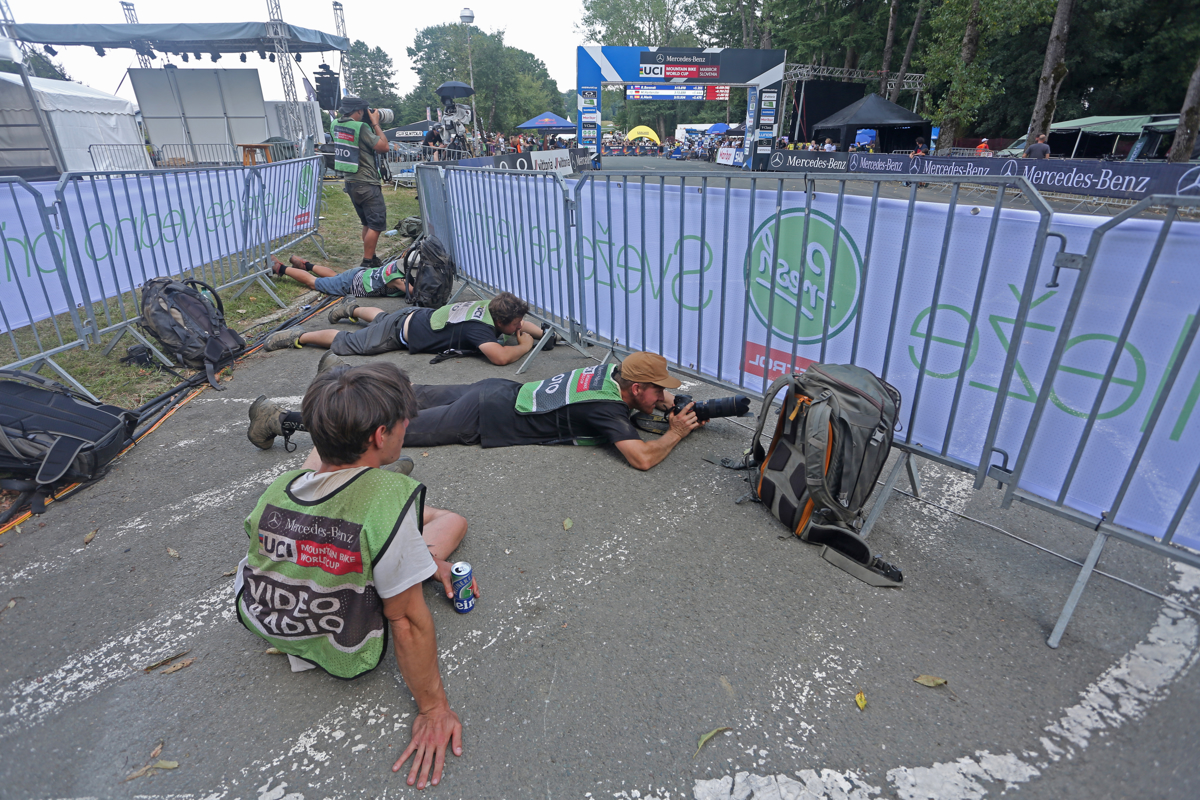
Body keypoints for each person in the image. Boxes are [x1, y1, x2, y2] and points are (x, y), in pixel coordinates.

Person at [236, 361, 476, 790]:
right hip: (336, 633)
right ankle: (380, 499)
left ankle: (358, 482)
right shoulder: (389, 499)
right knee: (448, 521)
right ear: (382, 436)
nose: (408, 427)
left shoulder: (279, 486)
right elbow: (405, 621)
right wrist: (433, 709)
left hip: (270, 617)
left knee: (401, 519)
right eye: (403, 422)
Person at [248, 352, 704, 471]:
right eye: (658, 390)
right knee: (377, 429)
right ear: (637, 388)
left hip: (492, 390)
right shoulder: (608, 410)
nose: (664, 396)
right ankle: (284, 420)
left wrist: (660, 407)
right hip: (484, 417)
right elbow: (642, 458)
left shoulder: (609, 373)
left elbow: (627, 407)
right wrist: (675, 433)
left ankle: (342, 375)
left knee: (400, 390)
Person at [261, 292, 557, 366]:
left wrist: (542, 335)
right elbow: (499, 358)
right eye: (516, 325)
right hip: (400, 334)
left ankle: (351, 308)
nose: (520, 327)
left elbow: (519, 321)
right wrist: (522, 347)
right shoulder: (479, 329)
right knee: (351, 343)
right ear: (500, 322)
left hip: (414, 316)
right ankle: (298, 336)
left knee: (382, 318)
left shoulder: (493, 306)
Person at [330, 97, 390, 269]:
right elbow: (383, 146)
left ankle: (371, 256)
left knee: (367, 223)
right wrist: (376, 124)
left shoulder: (335, 124)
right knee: (376, 224)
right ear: (358, 111)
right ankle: (367, 263)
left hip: (351, 182)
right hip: (366, 182)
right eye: (363, 111)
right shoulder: (360, 127)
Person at [267, 254, 410, 298]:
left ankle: (305, 265)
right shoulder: (398, 280)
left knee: (336, 276)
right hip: (349, 284)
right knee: (313, 282)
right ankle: (280, 268)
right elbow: (418, 294)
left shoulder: (397, 264)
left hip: (358, 273)